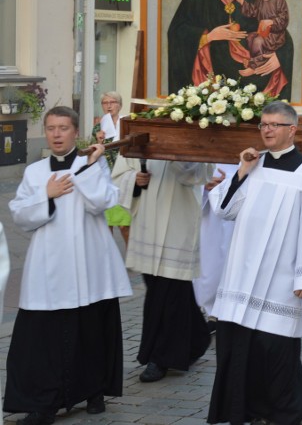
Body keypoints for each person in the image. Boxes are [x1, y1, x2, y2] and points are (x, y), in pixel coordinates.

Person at [5, 107, 132, 424]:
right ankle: (42, 402)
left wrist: (89, 169)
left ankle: (94, 391)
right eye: (50, 128)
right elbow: (20, 214)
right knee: (42, 334)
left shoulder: (92, 162)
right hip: (49, 261)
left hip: (89, 259)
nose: (57, 134)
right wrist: (46, 195)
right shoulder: (35, 172)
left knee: (90, 328)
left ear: (76, 132)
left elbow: (103, 202)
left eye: (63, 128)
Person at [206, 101, 302, 424]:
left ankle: (287, 412)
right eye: (263, 125)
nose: (268, 130)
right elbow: (224, 210)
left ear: (292, 129)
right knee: (240, 346)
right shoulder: (252, 165)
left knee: (274, 348)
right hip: (241, 275)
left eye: (275, 125)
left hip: (281, 278)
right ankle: (249, 410)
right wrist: (241, 173)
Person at [112, 154, 214, 383]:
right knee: (163, 287)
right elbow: (118, 176)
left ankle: (160, 357)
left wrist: (177, 155)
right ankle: (197, 339)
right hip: (147, 221)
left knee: (169, 290)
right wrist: (134, 180)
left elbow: (197, 175)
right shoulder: (137, 136)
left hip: (179, 221)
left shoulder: (189, 140)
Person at [192, 164, 238, 326]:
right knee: (211, 267)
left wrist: (234, 182)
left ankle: (231, 313)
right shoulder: (205, 155)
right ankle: (212, 312)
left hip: (239, 219)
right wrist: (203, 185)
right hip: (210, 219)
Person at [92, 91, 131, 245]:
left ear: (120, 105)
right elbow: (93, 152)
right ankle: (107, 257)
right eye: (105, 103)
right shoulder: (98, 127)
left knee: (124, 225)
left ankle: (131, 259)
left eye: (112, 102)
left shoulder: (127, 123)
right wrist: (99, 140)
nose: (109, 106)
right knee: (106, 223)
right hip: (106, 177)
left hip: (123, 176)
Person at [234, 0, 290, 73]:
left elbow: (284, 19)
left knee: (257, 41)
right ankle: (256, 61)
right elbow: (252, 12)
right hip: (263, 33)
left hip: (276, 36)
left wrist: (272, 21)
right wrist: (242, 1)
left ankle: (254, 66)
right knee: (250, 38)